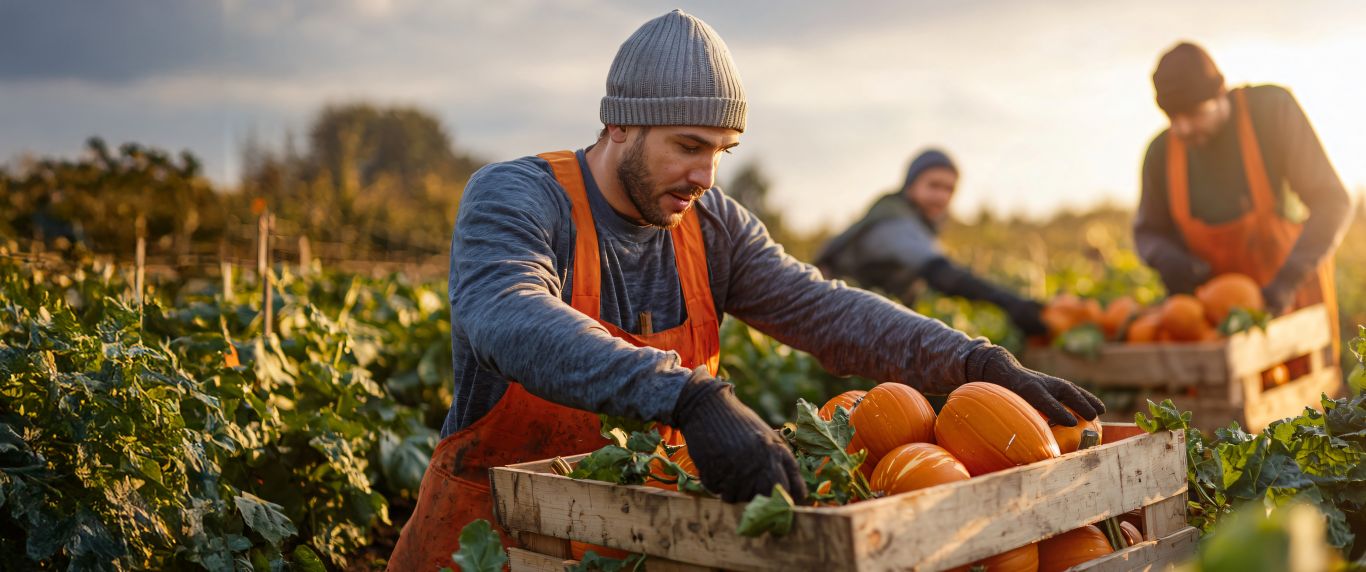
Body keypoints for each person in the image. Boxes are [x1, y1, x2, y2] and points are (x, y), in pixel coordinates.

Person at [387, 10, 1102, 570]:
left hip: (652, 544)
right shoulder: (516, 197)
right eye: (689, 146)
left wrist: (972, 362)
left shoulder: (711, 226)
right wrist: (686, 394)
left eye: (722, 152)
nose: (707, 176)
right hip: (491, 542)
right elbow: (506, 314)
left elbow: (823, 309)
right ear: (621, 122)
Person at [1134, 42, 1349, 347]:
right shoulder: (1160, 154)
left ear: (1220, 93)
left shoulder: (1271, 112)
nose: (1183, 128)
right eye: (1173, 117)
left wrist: (1286, 282)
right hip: (1218, 330)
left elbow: (1332, 201)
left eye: (1194, 113)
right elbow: (1148, 232)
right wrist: (1166, 256)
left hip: (1293, 306)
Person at [815, 150, 1048, 336]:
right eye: (934, 185)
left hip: (865, 322)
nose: (942, 196)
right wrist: (1013, 305)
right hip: (838, 323)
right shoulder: (894, 224)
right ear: (911, 186)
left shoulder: (919, 224)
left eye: (949, 189)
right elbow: (941, 274)